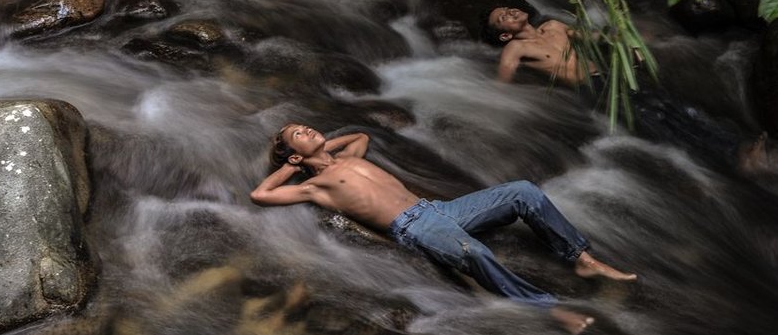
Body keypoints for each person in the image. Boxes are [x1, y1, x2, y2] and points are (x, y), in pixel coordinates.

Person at [251, 124, 637, 334]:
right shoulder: (313, 187)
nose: (307, 129)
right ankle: (548, 311)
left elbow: (361, 136)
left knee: (523, 192)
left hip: (437, 209)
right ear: (296, 154)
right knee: (475, 253)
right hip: (413, 228)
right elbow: (260, 194)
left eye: (305, 126)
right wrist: (294, 162)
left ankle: (582, 257)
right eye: (297, 134)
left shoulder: (346, 158)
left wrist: (316, 148)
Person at [482, 5, 772, 174]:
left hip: (611, 76)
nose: (508, 11)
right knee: (657, 122)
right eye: (502, 18)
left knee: (677, 107)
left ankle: (739, 147)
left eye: (507, 8)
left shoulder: (554, 26)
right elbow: (502, 85)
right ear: (505, 34)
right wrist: (504, 109)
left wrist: (628, 43)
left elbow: (594, 39)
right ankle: (729, 160)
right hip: (591, 90)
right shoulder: (516, 48)